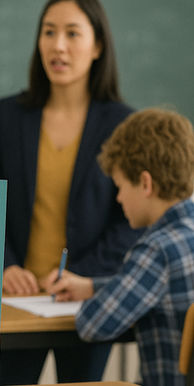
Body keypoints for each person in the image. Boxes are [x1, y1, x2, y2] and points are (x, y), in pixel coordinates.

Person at [0, 0, 142, 383]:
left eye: (72, 33)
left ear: (97, 46)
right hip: (15, 301)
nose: (58, 46)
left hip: (84, 302)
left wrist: (81, 275)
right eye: (49, 32)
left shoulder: (123, 123)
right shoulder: (8, 115)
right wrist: (5, 266)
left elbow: (129, 223)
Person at [47, 108, 194, 386]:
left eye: (120, 186)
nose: (118, 198)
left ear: (146, 183)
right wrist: (93, 286)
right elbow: (157, 286)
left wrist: (95, 298)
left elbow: (93, 325)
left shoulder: (156, 250)